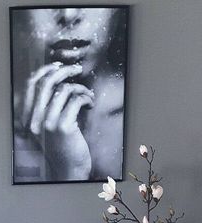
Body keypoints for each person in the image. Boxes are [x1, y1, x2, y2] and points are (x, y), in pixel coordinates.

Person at [12, 7, 126, 183]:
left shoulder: (150, 114)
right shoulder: (0, 130)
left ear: (117, 12)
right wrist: (72, 171)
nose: (69, 15)